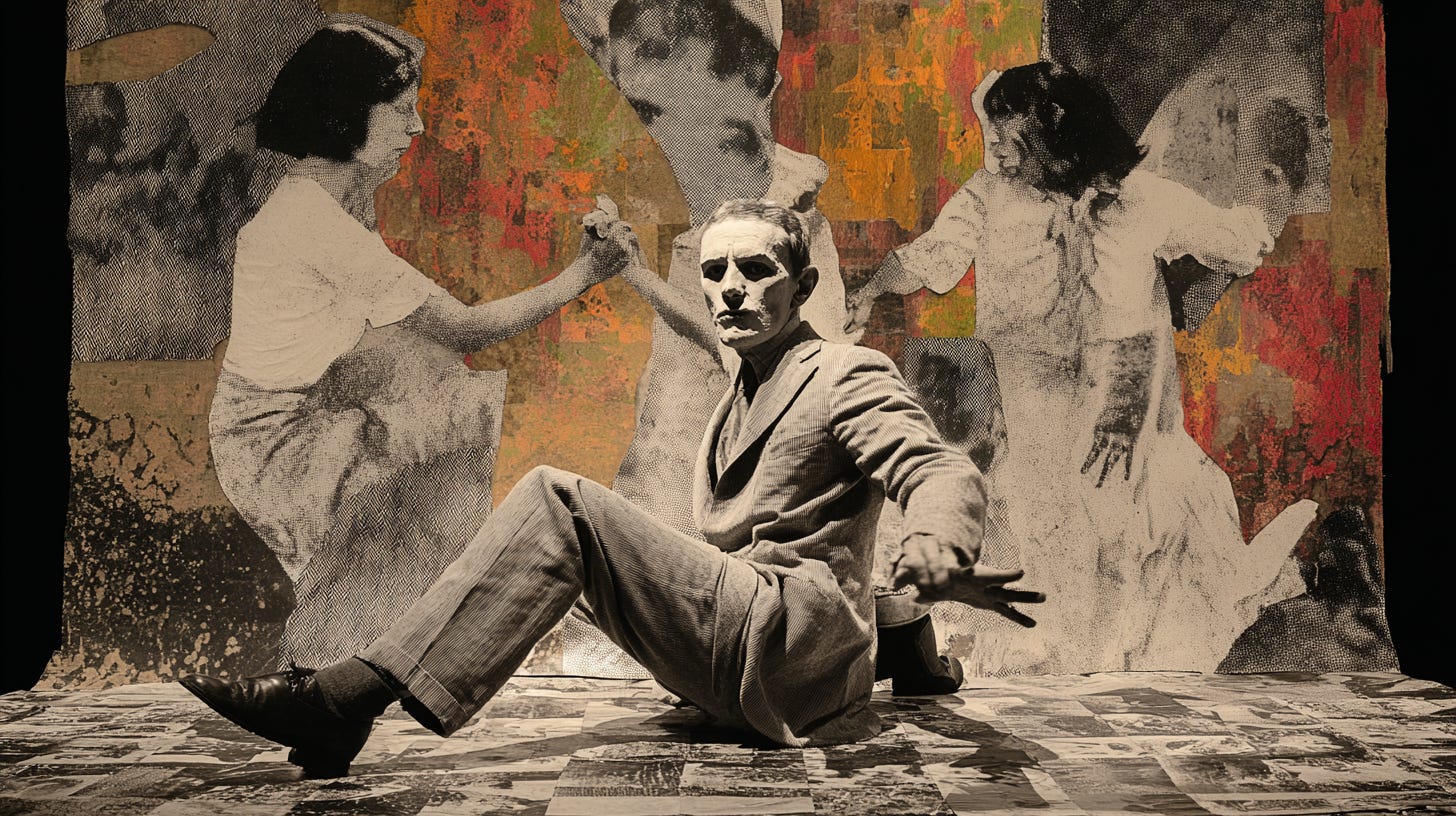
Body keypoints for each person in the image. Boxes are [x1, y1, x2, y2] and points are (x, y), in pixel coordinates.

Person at [180, 199, 1046, 778]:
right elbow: (702, 329)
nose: (730, 290)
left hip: (773, 649)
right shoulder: (751, 372)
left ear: (806, 286)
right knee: (555, 548)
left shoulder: (845, 373)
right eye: (716, 273)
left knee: (558, 502)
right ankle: (901, 648)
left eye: (754, 271)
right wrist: (630, 269)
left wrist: (938, 542)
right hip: (765, 653)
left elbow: (935, 467)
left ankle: (345, 699)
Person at [846, 62, 1311, 674]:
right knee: (1046, 519)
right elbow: (933, 254)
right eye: (993, 139)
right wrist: (874, 286)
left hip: (1122, 398)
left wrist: (1267, 199)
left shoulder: (1139, 199)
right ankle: (1071, 652)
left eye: (1012, 142)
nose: (997, 155)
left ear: (1058, 141)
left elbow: (1235, 241)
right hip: (1032, 393)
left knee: (1125, 524)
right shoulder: (988, 197)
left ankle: (1117, 658)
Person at [208, 18, 639, 668]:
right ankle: (344, 663)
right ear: (345, 116)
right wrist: (585, 274)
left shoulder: (328, 203)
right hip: (282, 447)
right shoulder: (312, 220)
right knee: (476, 434)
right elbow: (464, 328)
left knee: (466, 430)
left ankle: (389, 651)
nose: (415, 129)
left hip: (317, 417)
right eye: (400, 111)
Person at [559, 0, 955, 693]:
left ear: (760, 88)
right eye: (650, 111)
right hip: (706, 367)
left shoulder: (786, 225)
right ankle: (871, 638)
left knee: (798, 480)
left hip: (760, 380)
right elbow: (594, 29)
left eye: (705, 119)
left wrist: (640, 276)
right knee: (681, 491)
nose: (673, 138)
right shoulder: (697, 140)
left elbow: (750, 354)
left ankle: (890, 639)